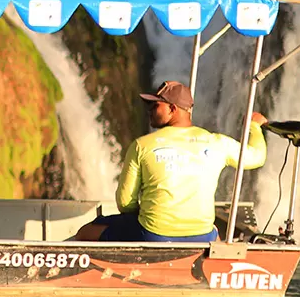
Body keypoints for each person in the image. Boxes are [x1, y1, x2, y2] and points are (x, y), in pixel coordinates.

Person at [73, 80, 267, 243]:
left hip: (153, 234)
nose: (149, 109)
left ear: (173, 109)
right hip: (201, 235)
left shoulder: (142, 145)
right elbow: (256, 156)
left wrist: (146, 219)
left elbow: (125, 203)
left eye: (155, 105)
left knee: (84, 233)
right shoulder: (217, 142)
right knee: (215, 233)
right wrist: (253, 126)